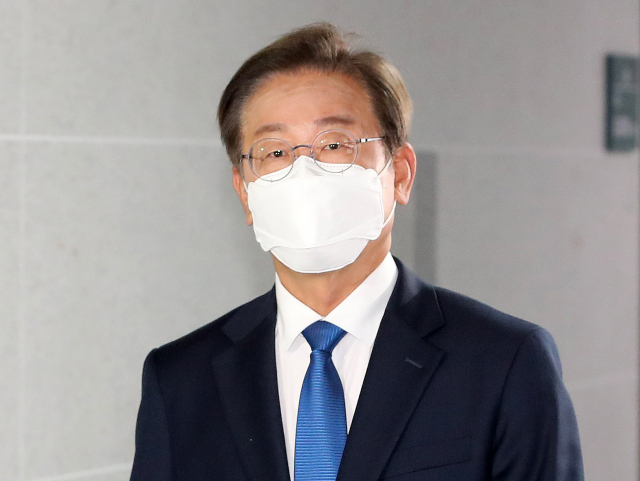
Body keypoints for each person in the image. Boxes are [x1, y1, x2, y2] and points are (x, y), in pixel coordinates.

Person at [130, 23, 583, 481]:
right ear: (245, 193)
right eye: (274, 152)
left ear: (400, 174)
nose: (303, 172)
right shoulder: (180, 381)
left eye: (334, 145)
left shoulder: (504, 363)